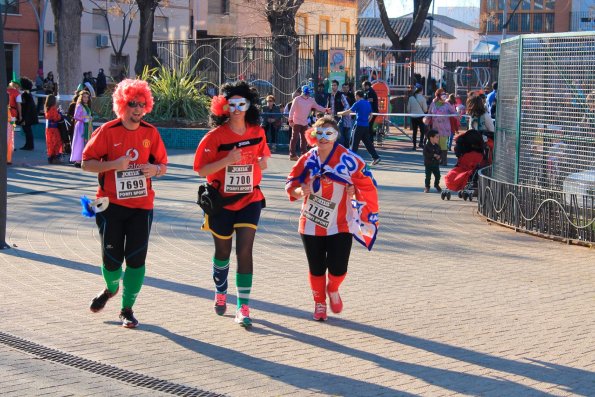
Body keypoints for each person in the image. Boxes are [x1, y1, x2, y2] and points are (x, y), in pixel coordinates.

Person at [83, 79, 168, 329]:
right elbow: (86, 163)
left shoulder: (151, 133)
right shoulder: (107, 131)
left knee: (136, 259)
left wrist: (155, 169)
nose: (138, 109)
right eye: (132, 103)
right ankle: (110, 289)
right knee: (111, 260)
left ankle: (127, 309)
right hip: (110, 206)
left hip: (142, 207)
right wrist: (112, 165)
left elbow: (163, 165)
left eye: (142, 104)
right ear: (123, 104)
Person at [285, 115, 379, 321]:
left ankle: (333, 288)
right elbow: (290, 185)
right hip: (311, 223)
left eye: (329, 133)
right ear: (312, 135)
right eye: (319, 133)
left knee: (339, 268)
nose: (323, 138)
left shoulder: (349, 159)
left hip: (341, 223)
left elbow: (368, 183)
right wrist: (302, 191)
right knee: (316, 267)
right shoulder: (307, 159)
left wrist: (355, 191)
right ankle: (319, 303)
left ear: (336, 136)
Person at [193, 81, 270, 328]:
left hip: (250, 199)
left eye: (242, 104)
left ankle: (243, 306)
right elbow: (200, 170)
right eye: (232, 104)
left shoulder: (257, 131)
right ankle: (220, 290)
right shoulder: (215, 137)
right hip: (221, 203)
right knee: (223, 252)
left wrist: (262, 162)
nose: (237, 109)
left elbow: (263, 156)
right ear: (224, 107)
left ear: (249, 105)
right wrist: (226, 160)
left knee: (244, 250)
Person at [338, 90, 381, 166]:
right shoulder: (367, 103)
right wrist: (367, 121)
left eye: (355, 95)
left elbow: (349, 111)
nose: (355, 97)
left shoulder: (358, 103)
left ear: (357, 96)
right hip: (365, 126)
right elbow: (371, 115)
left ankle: (350, 161)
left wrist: (340, 113)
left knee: (353, 142)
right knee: (368, 143)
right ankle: (376, 157)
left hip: (359, 125)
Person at [288, 85, 328, 161]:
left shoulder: (311, 100)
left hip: (304, 122)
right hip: (296, 121)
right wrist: (290, 120)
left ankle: (303, 154)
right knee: (294, 138)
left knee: (304, 139)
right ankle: (292, 155)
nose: (307, 94)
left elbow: (318, 107)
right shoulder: (297, 99)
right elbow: (292, 110)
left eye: (308, 93)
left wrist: (325, 110)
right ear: (302, 92)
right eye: (306, 93)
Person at [427, 88, 457, 166]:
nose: (444, 95)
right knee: (436, 145)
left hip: (444, 129)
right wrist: (426, 120)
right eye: (442, 94)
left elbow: (454, 113)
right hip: (435, 128)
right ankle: (438, 160)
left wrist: (459, 115)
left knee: (443, 145)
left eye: (444, 94)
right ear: (438, 95)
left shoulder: (447, 104)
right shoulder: (433, 103)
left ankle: (444, 161)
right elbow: (429, 113)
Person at [70, 90, 93, 167]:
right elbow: (76, 116)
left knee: (85, 142)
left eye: (87, 97)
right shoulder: (79, 106)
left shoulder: (86, 106)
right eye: (84, 97)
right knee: (79, 143)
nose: (86, 98)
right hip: (81, 126)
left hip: (87, 126)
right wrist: (85, 118)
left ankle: (83, 158)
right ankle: (78, 160)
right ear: (81, 97)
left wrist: (90, 118)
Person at [17, 77, 38, 151]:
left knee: (27, 130)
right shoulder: (27, 93)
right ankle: (28, 144)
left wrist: (23, 117)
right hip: (28, 114)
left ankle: (29, 145)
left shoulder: (26, 94)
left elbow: (26, 105)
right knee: (27, 130)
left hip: (27, 115)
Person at [328, 80, 350, 146]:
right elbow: (329, 106)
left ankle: (341, 148)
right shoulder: (330, 95)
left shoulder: (341, 95)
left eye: (334, 85)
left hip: (340, 117)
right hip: (332, 117)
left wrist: (341, 113)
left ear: (337, 86)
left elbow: (347, 105)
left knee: (339, 133)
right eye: (332, 85)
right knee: (332, 133)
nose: (333, 87)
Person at [407, 83, 428, 150]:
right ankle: (421, 143)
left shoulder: (411, 98)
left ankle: (414, 145)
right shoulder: (423, 98)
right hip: (421, 116)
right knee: (422, 130)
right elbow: (425, 109)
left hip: (413, 117)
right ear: (421, 90)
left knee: (414, 131)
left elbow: (408, 109)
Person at [44, 95, 63, 164]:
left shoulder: (46, 108)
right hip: (54, 128)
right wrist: (60, 114)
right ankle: (55, 157)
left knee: (49, 143)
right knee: (56, 142)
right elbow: (56, 118)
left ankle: (50, 156)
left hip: (48, 128)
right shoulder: (53, 108)